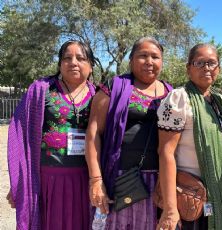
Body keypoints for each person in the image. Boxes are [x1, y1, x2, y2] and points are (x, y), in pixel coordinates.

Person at [7, 40, 96, 229]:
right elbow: (19, 133)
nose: (73, 62)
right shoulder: (41, 90)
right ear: (59, 64)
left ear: (91, 65)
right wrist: (18, 181)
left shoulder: (99, 96)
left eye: (80, 58)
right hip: (49, 180)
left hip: (84, 179)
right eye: (67, 58)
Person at [85, 37, 172, 230]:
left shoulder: (170, 93)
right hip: (119, 179)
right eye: (143, 56)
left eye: (155, 57)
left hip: (158, 182)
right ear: (131, 60)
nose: (149, 61)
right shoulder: (113, 87)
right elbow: (93, 134)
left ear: (162, 62)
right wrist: (96, 180)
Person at [156, 43, 222, 230]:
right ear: (188, 68)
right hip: (186, 196)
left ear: (218, 69)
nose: (206, 68)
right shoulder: (179, 98)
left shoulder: (219, 102)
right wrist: (170, 208)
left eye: (212, 63)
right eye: (199, 62)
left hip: (216, 192)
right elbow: (166, 153)